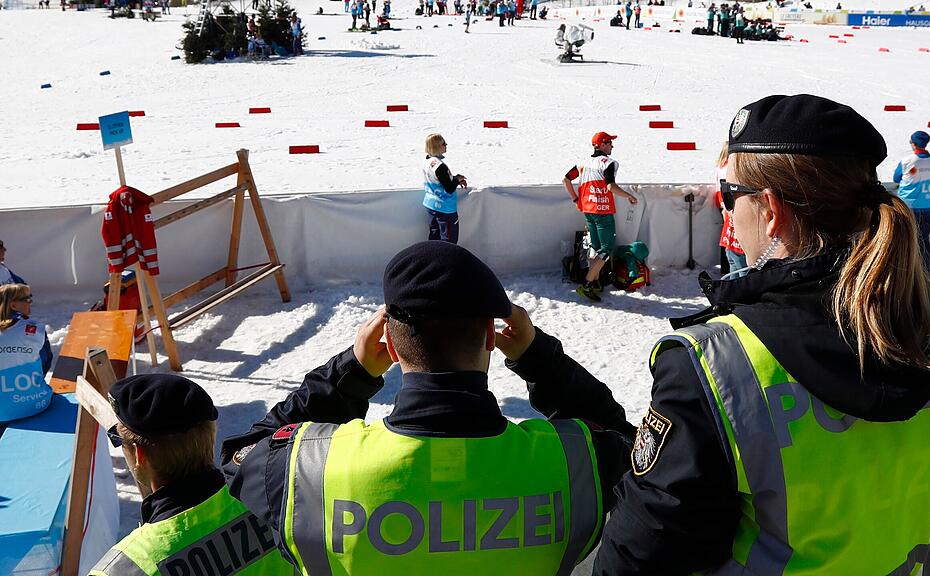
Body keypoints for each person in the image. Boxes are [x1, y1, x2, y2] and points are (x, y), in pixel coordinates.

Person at [529, 95, 930, 574]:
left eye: (729, 196)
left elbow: (645, 554)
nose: (727, 210)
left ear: (769, 209)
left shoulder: (715, 361)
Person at [220, 241, 632, 575]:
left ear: (392, 347)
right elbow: (635, 449)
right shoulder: (575, 458)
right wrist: (540, 359)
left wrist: (353, 373)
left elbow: (243, 453)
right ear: (491, 336)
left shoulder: (311, 468)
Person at [88, 374, 295, 576]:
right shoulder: (274, 502)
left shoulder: (121, 568)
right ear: (211, 435)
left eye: (118, 440)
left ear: (139, 454)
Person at [563, 132, 639, 302]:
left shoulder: (582, 162)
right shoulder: (609, 163)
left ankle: (596, 282)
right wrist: (629, 196)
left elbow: (566, 180)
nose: (612, 146)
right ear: (602, 144)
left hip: (587, 210)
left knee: (595, 248)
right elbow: (611, 187)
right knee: (605, 250)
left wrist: (576, 199)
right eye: (610, 143)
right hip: (603, 211)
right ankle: (588, 284)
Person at [0, 284, 52, 423]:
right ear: (13, 305)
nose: (30, 302)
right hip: (35, 404)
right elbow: (46, 362)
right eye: (26, 299)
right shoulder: (35, 329)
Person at [894, 130, 930, 272]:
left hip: (907, 206)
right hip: (926, 206)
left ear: (914, 144)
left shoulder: (908, 161)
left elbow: (896, 178)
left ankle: (904, 272)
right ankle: (926, 272)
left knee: (904, 241)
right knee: (924, 241)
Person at [422, 134, 467, 244]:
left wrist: (455, 178)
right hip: (444, 208)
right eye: (444, 143)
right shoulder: (440, 166)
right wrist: (457, 180)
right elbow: (449, 189)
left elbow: (439, 180)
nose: (446, 145)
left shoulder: (427, 160)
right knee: (448, 242)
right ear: (437, 146)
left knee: (434, 238)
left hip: (430, 204)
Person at [713, 144, 746, 273]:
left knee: (726, 233)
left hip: (720, 199)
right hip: (728, 201)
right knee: (733, 231)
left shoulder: (719, 166)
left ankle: (726, 268)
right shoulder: (730, 167)